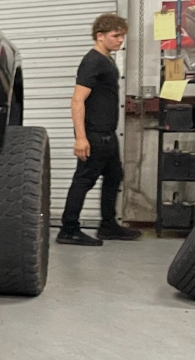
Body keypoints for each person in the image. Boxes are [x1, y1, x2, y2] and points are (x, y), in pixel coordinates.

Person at [58, 14, 140, 246]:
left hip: (107, 135)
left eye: (122, 36)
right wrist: (81, 138)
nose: (120, 40)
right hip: (95, 136)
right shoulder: (93, 61)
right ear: (100, 36)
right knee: (83, 180)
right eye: (115, 36)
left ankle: (108, 226)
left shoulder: (106, 60)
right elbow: (77, 101)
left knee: (114, 176)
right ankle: (69, 229)